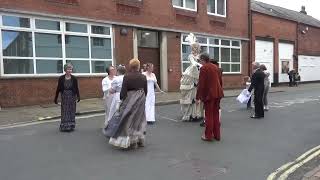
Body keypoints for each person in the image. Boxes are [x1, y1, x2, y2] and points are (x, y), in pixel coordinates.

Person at [108, 58, 148, 149]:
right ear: (138, 66)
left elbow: (123, 91)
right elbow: (146, 91)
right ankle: (140, 139)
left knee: (129, 119)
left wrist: (122, 100)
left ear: (131, 66)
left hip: (130, 99)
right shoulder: (143, 77)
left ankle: (133, 142)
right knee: (139, 119)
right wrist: (143, 98)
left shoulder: (127, 76)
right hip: (141, 99)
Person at [196, 53, 224, 141]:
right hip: (218, 93)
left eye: (200, 60)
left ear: (203, 59)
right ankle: (217, 135)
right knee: (215, 114)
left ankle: (208, 135)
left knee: (209, 116)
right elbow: (220, 81)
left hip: (209, 95)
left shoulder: (204, 68)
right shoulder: (216, 67)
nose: (199, 61)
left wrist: (198, 97)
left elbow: (201, 84)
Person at [180, 33, 204, 122]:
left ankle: (196, 114)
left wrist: (201, 66)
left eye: (198, 48)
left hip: (198, 75)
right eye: (196, 48)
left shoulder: (199, 56)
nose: (197, 49)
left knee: (197, 96)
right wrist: (200, 65)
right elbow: (194, 64)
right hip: (191, 75)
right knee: (190, 96)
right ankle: (189, 114)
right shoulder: (191, 56)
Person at [54, 63, 80, 132]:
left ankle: (71, 125)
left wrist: (78, 97)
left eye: (71, 69)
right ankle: (64, 126)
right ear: (65, 70)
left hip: (72, 96)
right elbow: (58, 88)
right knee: (64, 111)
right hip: (64, 96)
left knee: (72, 110)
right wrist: (56, 98)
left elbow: (76, 88)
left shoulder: (74, 78)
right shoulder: (61, 78)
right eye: (68, 69)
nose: (69, 70)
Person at [200, 59, 223, 127]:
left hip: (210, 92)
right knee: (217, 107)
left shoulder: (210, 70)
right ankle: (217, 121)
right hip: (219, 91)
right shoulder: (219, 70)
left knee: (207, 108)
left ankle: (206, 121)